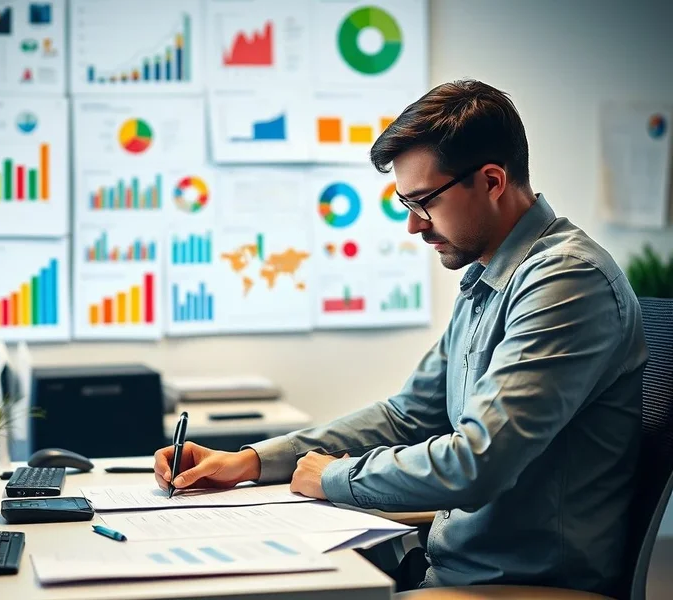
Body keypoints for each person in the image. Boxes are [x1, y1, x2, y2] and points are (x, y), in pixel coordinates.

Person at [154, 80, 648, 593]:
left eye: (424, 202)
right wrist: (252, 461)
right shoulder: (490, 278)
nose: (414, 226)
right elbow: (406, 417)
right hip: (458, 571)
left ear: (492, 181)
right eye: (404, 202)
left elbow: (475, 462)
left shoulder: (567, 281)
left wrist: (331, 478)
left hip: (528, 586)